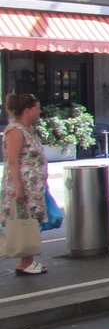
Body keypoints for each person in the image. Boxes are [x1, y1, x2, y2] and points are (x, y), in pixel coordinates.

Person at [2, 93, 49, 275]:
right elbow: (13, 160)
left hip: (33, 185)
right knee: (25, 221)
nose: (39, 111)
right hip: (23, 185)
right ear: (27, 110)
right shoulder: (16, 131)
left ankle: (27, 260)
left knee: (30, 221)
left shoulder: (27, 128)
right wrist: (19, 187)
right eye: (37, 108)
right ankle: (25, 261)